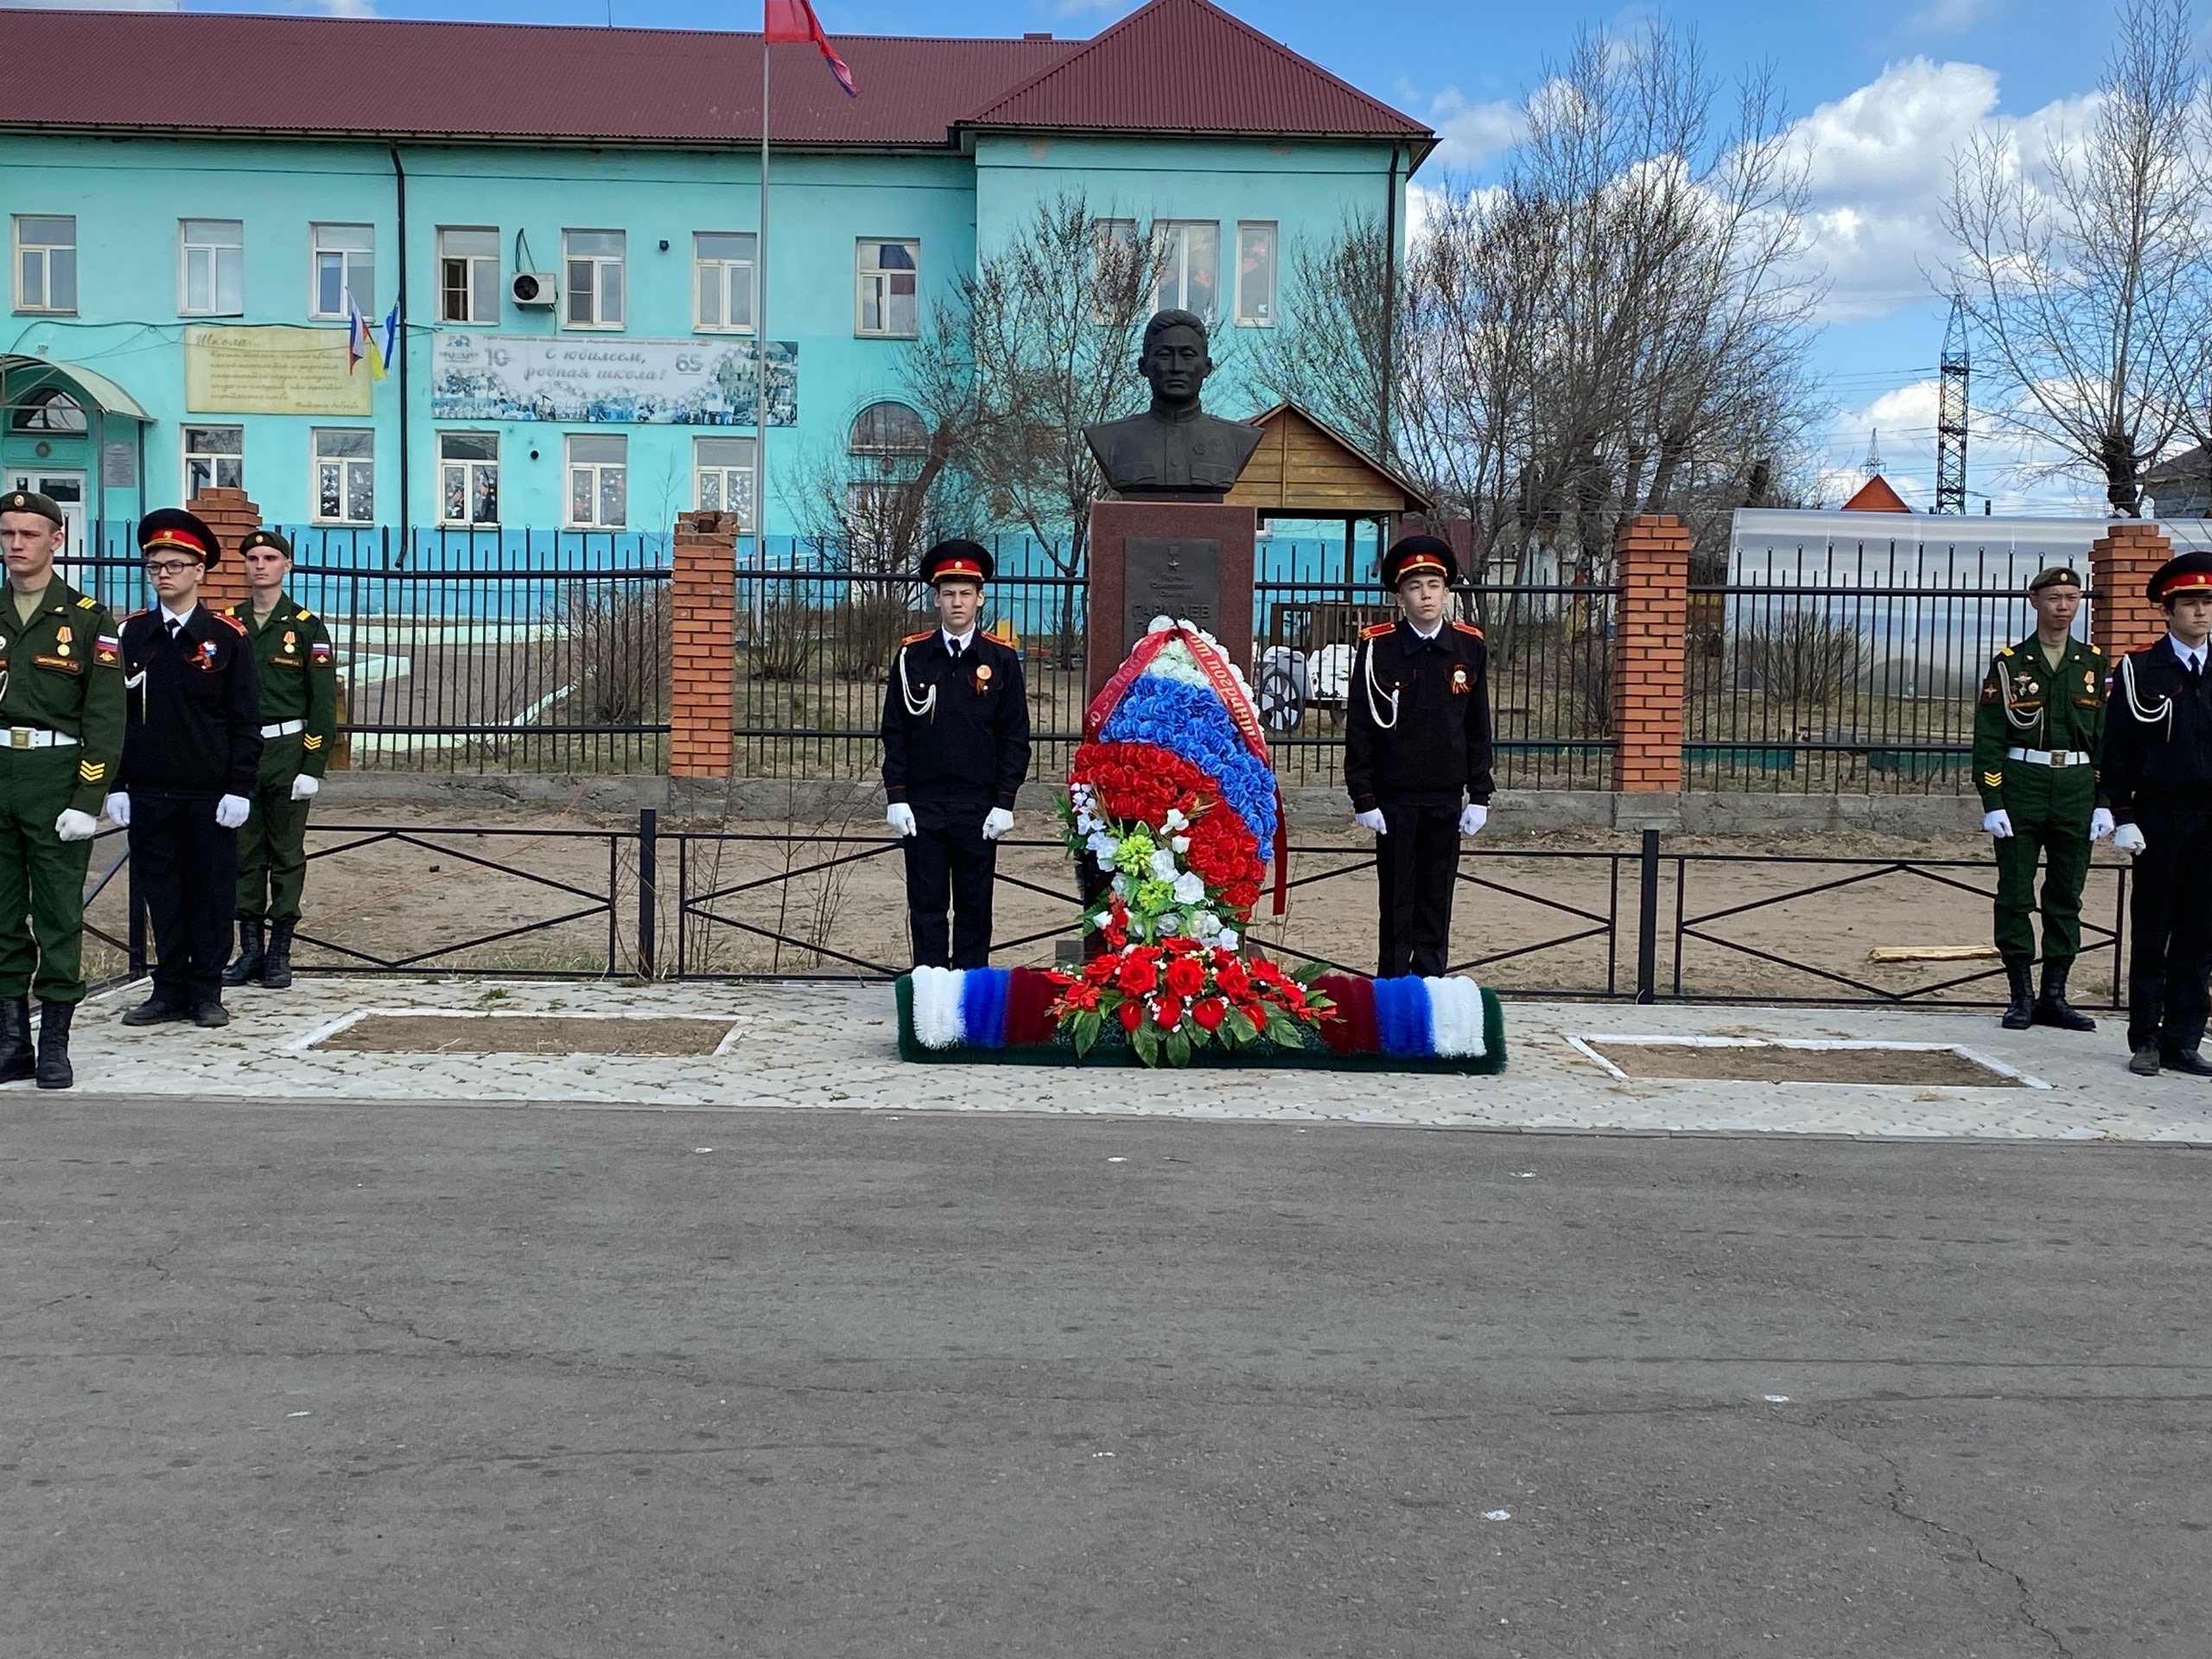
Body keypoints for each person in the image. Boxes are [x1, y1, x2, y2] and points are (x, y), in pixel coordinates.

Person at [106, 510, 263, 1029]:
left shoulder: (226, 636)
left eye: (176, 565)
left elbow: (245, 719)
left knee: (211, 894)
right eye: (155, 566)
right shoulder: (131, 635)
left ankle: (206, 991)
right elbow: (113, 717)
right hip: (149, 791)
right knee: (163, 894)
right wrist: (118, 783)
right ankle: (166, 987)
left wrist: (239, 786)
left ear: (200, 571)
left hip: (209, 794)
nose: (164, 574)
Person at [0, 489, 124, 1089]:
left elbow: (105, 717)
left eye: (29, 533)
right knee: (0, 917)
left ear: (57, 539)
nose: (16, 545)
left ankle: (54, 1044)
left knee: (55, 916)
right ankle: (11, 1041)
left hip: (55, 781)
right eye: (8, 534)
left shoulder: (86, 617)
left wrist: (87, 799)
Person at [1344, 534, 1494, 979]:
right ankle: (1392, 988)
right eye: (1415, 586)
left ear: (1447, 591)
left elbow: (1477, 726)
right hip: (1394, 799)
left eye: (1433, 584)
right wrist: (1363, 796)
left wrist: (1480, 793)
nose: (1425, 595)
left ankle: (1431, 983)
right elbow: (1361, 726)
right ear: (1399, 595)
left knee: (1436, 896)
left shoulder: (1468, 647)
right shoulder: (1377, 649)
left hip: (1446, 797)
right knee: (1396, 900)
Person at [1972, 567, 2111, 1031]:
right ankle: (2020, 996)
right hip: (2023, 782)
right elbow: (1989, 735)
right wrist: (1993, 800)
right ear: (2035, 601)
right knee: (2015, 893)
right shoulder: (2012, 663)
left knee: (2066, 894)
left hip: (2074, 787)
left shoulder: (2092, 663)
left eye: (2072, 598)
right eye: (2054, 597)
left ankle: (2055, 995)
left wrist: (2106, 800)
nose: (2064, 607)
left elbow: (2105, 739)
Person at [880, 539, 1030, 969]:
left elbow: (1014, 735)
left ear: (980, 598)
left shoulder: (1000, 660)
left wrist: (1005, 801)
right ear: (936, 598)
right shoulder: (913, 657)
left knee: (974, 911)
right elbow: (895, 730)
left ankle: (967, 1007)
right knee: (926, 910)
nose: (957, 603)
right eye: (948, 594)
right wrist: (897, 795)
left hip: (977, 807)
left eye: (966, 593)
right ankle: (929, 1004)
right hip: (923, 805)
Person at [2099, 548, 2212, 1077]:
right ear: (2167, 612)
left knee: (2200, 934)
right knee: (2153, 931)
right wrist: (2122, 812)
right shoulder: (2140, 668)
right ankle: (2145, 1037)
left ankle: (2183, 1040)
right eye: (2189, 604)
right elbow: (2118, 748)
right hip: (2161, 815)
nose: (2201, 613)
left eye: (2208, 603)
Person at [223, 529, 337, 991]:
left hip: (289, 750)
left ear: (286, 566)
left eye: (270, 557)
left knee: (286, 854)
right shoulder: (229, 624)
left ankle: (279, 952)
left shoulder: (306, 627)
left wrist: (312, 766)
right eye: (252, 558)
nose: (260, 565)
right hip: (242, 751)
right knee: (243, 853)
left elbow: (323, 703)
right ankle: (248, 949)